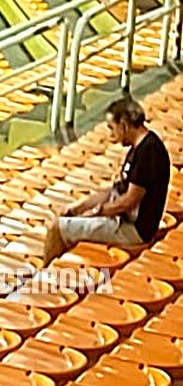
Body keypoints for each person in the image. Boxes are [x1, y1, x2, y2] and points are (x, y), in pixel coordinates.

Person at [42, 97, 172, 266]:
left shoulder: (149, 153)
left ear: (124, 124)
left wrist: (98, 212)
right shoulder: (140, 148)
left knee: (58, 228)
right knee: (69, 219)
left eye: (112, 128)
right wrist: (77, 208)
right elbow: (114, 191)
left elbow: (128, 201)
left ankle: (42, 278)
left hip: (132, 230)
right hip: (122, 219)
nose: (112, 136)